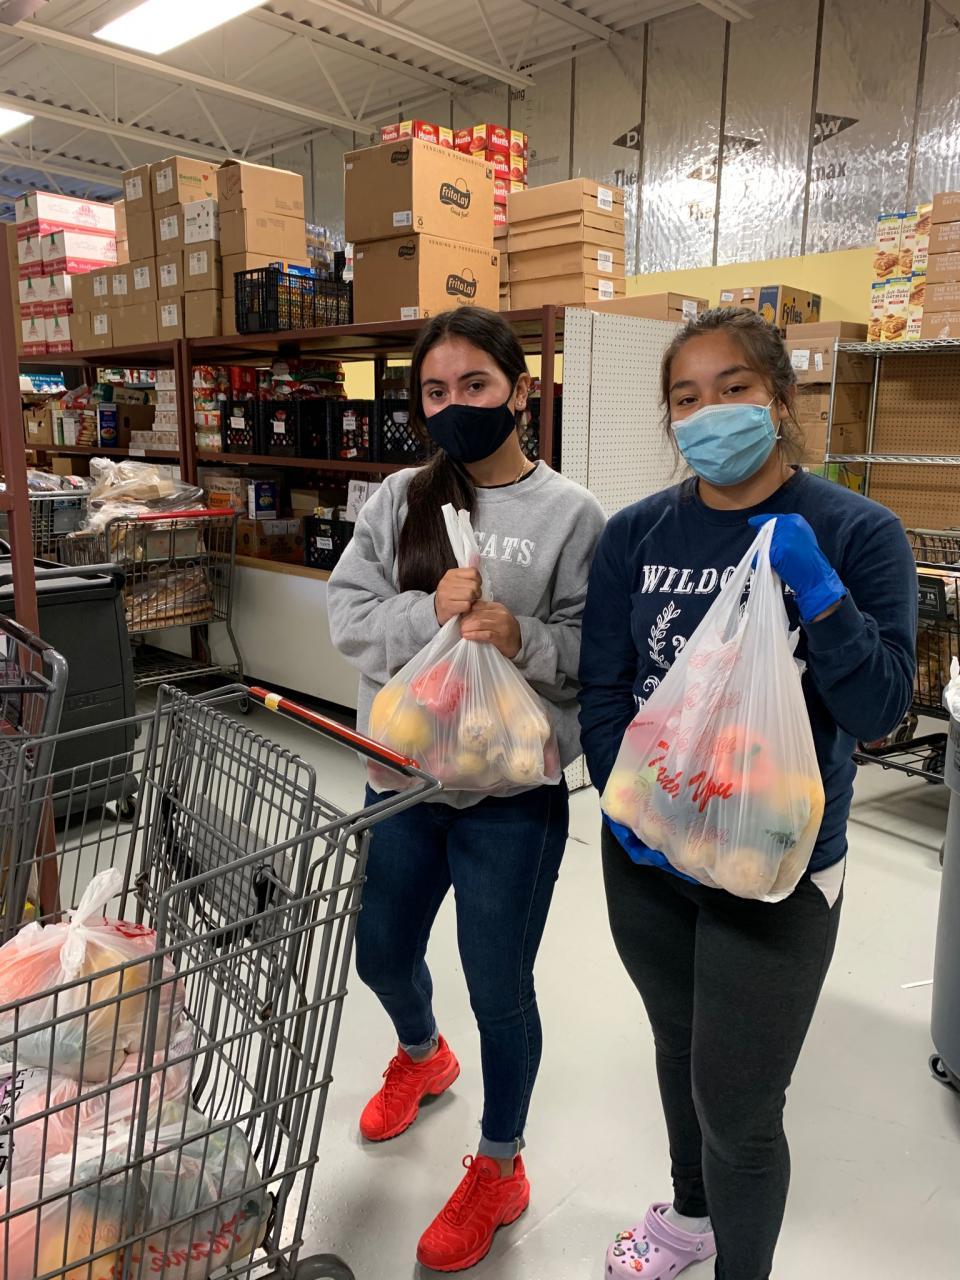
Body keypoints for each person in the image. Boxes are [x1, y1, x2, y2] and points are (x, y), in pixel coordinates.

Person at [578, 307, 917, 1280]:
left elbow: (879, 707)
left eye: (733, 388)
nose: (709, 412)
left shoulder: (857, 531)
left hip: (776, 870)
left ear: (780, 399)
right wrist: (628, 802)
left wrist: (820, 591)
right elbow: (603, 692)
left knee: (739, 1106)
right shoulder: (636, 534)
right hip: (648, 856)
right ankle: (690, 1219)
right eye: (686, 398)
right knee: (678, 1046)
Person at [327, 306, 606, 1273]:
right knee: (380, 952)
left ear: (520, 391)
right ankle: (422, 1053)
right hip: (402, 784)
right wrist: (426, 613)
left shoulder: (573, 515)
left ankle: (500, 1162)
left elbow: (595, 654)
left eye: (475, 385)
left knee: (499, 987)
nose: (455, 406)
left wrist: (521, 637)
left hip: (512, 801)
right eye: (436, 392)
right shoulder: (401, 498)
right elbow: (347, 617)